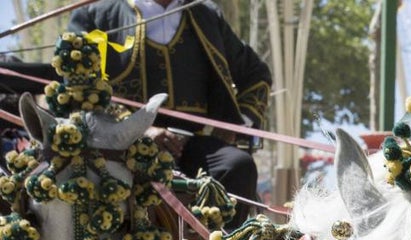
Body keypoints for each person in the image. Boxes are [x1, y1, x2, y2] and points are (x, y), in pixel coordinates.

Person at [68, 0, 272, 222]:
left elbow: (256, 74)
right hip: (122, 146)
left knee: (238, 165)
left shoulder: (204, 13)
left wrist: (237, 123)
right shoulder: (96, 16)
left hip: (195, 143)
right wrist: (141, 130)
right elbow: (79, 88)